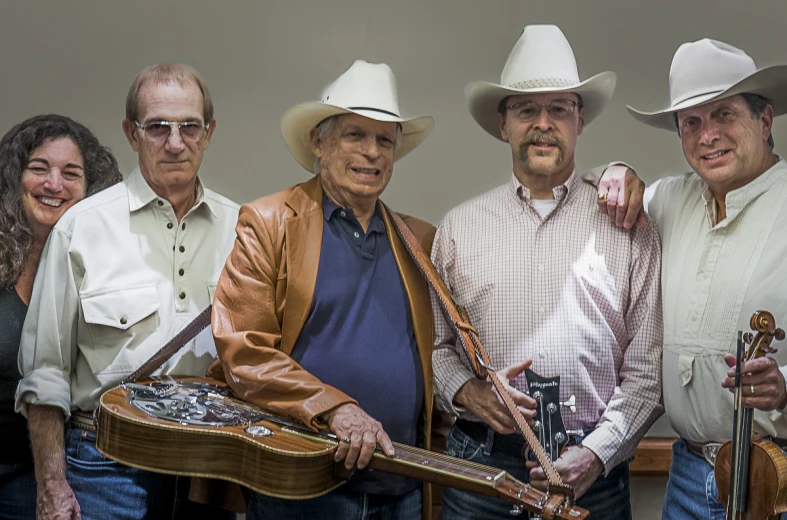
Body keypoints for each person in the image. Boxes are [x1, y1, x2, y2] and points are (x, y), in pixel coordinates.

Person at [431, 25, 663, 519]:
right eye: (526, 109)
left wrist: (597, 454)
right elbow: (435, 349)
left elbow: (648, 368)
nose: (543, 123)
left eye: (559, 108)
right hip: (481, 468)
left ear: (580, 119)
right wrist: (468, 392)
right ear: (503, 124)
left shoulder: (628, 225)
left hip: (592, 474)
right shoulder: (458, 228)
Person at [207, 59, 437, 520]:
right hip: (300, 489)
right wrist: (335, 410)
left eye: (384, 141)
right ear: (319, 140)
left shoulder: (419, 240)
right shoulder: (268, 223)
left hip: (402, 487)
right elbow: (244, 350)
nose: (372, 152)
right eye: (356, 135)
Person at [15, 64, 239, 520]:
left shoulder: (245, 229)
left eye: (189, 127)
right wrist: (51, 487)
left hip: (210, 473)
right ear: (131, 134)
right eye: (157, 127)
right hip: (104, 467)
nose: (175, 142)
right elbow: (45, 374)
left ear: (209, 132)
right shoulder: (82, 227)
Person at [590, 38, 787, 520]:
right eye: (691, 123)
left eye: (724, 115)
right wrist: (615, 171)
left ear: (764, 121)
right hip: (687, 472)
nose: (707, 136)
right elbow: (588, 190)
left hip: (774, 476)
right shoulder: (669, 200)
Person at [0, 115, 121, 520]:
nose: (54, 185)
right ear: (14, 179)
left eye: (71, 173)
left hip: (51, 473)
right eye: (39, 168)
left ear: (92, 188)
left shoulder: (109, 271)